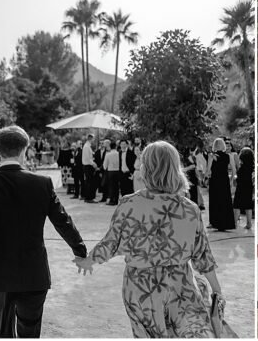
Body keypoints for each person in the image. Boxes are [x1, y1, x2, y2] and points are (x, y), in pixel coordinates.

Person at [75, 141, 222, 338]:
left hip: (140, 289)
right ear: (175, 168)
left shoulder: (128, 204)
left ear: (146, 168)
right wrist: (217, 290)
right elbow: (203, 257)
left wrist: (88, 261)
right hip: (180, 287)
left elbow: (111, 243)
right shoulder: (190, 209)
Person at [0, 126, 87, 338]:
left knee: (3, 331)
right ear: (25, 150)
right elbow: (63, 221)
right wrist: (80, 251)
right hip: (34, 271)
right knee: (30, 331)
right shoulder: (42, 183)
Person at [207, 138, 235, 232]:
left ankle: (215, 222)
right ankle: (226, 223)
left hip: (215, 181)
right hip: (224, 181)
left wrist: (206, 177)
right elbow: (234, 170)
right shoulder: (229, 156)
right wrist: (231, 180)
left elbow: (208, 170)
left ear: (214, 145)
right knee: (225, 201)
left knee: (215, 201)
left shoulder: (212, 156)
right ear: (223, 145)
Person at [232, 148, 254, 230]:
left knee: (237, 205)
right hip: (249, 188)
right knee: (248, 206)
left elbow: (238, 180)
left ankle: (234, 223)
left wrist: (235, 178)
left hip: (240, 188)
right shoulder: (252, 168)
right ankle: (249, 223)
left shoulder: (242, 168)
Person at [102, 140, 121, 206]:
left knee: (111, 186)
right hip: (117, 171)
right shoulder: (119, 154)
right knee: (117, 186)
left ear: (110, 147)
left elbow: (105, 165)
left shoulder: (108, 154)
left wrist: (106, 168)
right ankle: (116, 200)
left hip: (110, 171)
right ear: (116, 147)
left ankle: (112, 200)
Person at [81, 134, 97, 203]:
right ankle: (89, 198)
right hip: (88, 166)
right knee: (89, 182)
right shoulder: (87, 147)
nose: (94, 140)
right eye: (93, 139)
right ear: (91, 138)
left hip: (87, 165)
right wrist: (93, 164)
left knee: (89, 182)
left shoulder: (87, 146)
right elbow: (88, 158)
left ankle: (88, 197)